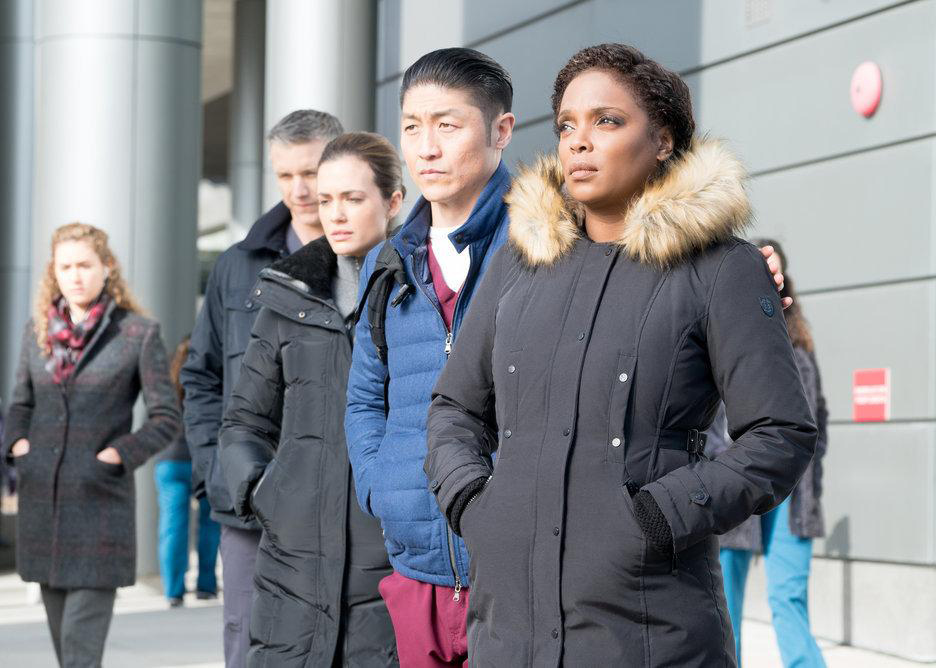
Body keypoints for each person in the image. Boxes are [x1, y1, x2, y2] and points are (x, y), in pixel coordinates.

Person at [346, 47, 789, 667]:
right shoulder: (523, 262)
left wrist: (660, 515)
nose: (579, 141)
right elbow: (453, 405)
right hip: (510, 625)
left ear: (662, 140)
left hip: (650, 627)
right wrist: (474, 504)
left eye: (607, 121)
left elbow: (779, 435)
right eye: (566, 126)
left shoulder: (722, 271)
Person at [344, 48, 515, 667]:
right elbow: (365, 394)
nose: (426, 148)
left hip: (517, 564)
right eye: (412, 126)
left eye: (448, 124)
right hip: (415, 563)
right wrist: (380, 484)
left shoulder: (545, 242)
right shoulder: (389, 263)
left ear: (501, 131)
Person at [220, 132, 402, 667]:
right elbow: (243, 421)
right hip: (291, 560)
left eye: (352, 198)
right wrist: (265, 492)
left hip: (390, 558)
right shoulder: (286, 300)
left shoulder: (419, 295)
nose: (336, 215)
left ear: (392, 203)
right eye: (327, 201)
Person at [182, 109, 343, 668]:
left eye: (312, 172)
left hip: (346, 503)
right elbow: (200, 376)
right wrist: (216, 468)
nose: (300, 190)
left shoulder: (378, 258)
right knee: (250, 645)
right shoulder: (236, 265)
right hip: (250, 507)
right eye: (285, 176)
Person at [2, 222, 180, 667]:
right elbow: (19, 405)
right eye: (66, 266)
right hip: (44, 508)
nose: (76, 275)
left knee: (80, 654)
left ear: (107, 268)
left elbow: (166, 417)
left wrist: (117, 455)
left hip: (100, 508)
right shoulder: (37, 330)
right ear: (53, 272)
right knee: (67, 651)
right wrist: (18, 447)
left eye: (85, 264)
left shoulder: (138, 333)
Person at [708, 239, 828, 667]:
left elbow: (820, 423)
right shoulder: (720, 334)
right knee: (724, 606)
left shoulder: (800, 353)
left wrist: (810, 481)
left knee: (788, 594)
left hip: (795, 493)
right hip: (735, 483)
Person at [154, 336, 221, 607]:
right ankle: (206, 585)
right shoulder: (210, 381)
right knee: (209, 523)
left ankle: (173, 590)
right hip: (205, 459)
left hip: (170, 460)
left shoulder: (167, 386)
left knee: (172, 527)